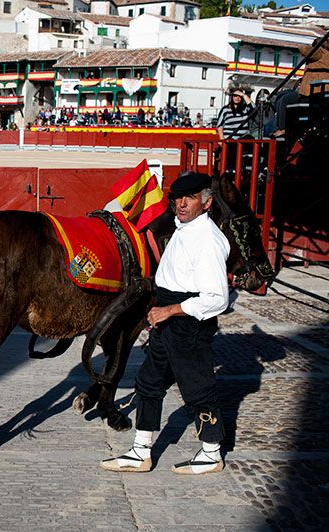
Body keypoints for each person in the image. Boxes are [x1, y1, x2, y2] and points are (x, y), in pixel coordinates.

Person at [101, 172, 230, 475]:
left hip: (187, 324)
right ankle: (141, 451)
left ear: (207, 202)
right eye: (178, 198)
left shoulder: (207, 240)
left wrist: (169, 310)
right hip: (166, 319)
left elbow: (216, 298)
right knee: (148, 383)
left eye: (190, 197)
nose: (181, 203)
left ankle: (212, 453)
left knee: (198, 389)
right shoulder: (184, 228)